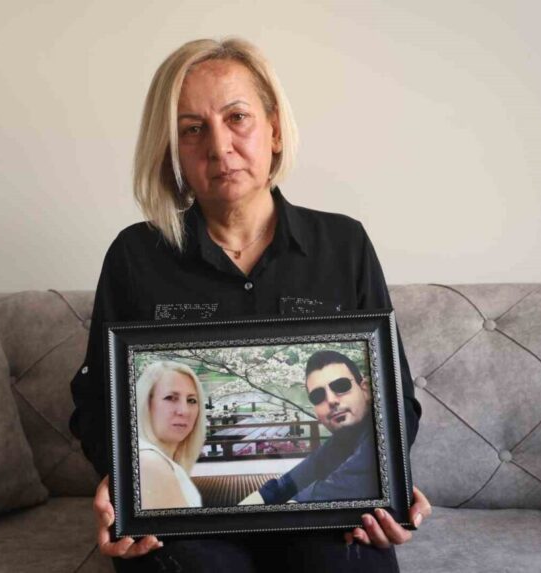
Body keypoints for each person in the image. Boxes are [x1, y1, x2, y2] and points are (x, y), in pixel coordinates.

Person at [69, 37, 432, 572]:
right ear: (171, 150)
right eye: (193, 129)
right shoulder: (134, 256)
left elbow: (394, 396)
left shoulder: (344, 245)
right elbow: (96, 400)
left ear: (275, 129)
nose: (219, 147)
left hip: (326, 519)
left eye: (237, 118)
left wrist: (389, 479)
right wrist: (120, 481)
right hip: (181, 526)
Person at [243, 350, 380, 505]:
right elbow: (286, 485)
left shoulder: (382, 436)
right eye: (318, 396)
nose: (331, 400)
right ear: (316, 412)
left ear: (366, 390)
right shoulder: (337, 444)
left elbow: (325, 493)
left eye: (341, 386)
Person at [136, 361, 207, 509]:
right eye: (170, 398)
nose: (184, 411)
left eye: (191, 400)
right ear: (146, 403)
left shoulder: (158, 461)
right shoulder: (150, 463)